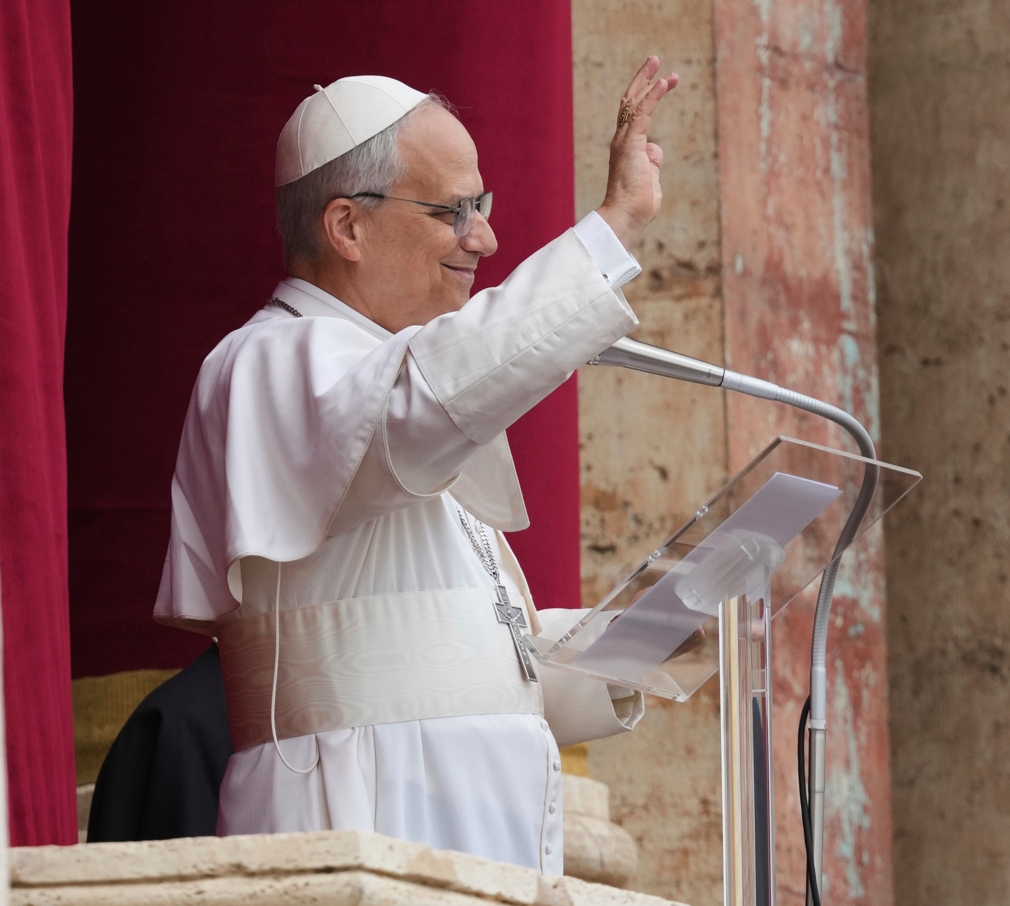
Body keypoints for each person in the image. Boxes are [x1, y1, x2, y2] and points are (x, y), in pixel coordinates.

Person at [153, 58, 679, 874]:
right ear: (347, 228)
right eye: (454, 210)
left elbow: (447, 660)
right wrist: (608, 232)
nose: (486, 237)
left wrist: (651, 632)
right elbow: (429, 400)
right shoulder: (270, 361)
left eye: (484, 204)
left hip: (465, 839)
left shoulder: (386, 381)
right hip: (358, 817)